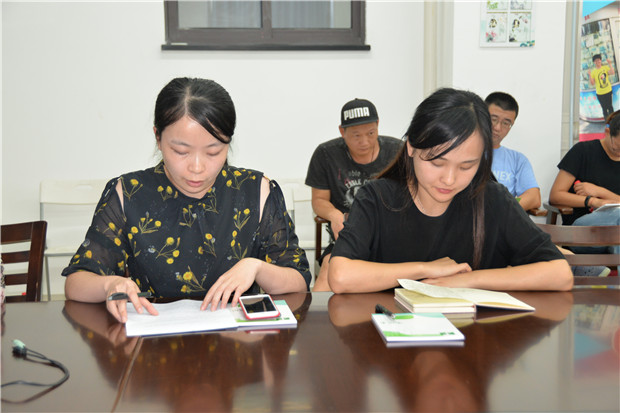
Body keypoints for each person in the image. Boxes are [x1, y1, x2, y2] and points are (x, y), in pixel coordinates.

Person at [63, 77, 311, 323]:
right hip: (155, 336)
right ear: (158, 138)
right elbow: (76, 283)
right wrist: (110, 284)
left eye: (213, 152)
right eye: (181, 151)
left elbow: (299, 281)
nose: (197, 167)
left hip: (238, 340)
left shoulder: (256, 190)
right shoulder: (129, 193)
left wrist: (256, 267)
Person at [328, 88, 573, 293]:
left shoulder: (493, 199)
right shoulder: (377, 197)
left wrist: (467, 280)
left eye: (467, 166)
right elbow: (340, 276)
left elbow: (559, 273)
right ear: (411, 146)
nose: (449, 179)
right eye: (437, 163)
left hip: (473, 333)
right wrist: (425, 269)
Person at [305, 98, 402, 291]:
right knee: (329, 269)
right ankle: (314, 311)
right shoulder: (326, 154)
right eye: (356, 135)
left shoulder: (397, 151)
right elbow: (319, 200)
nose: (364, 142)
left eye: (371, 133)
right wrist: (334, 215)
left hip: (390, 235)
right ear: (342, 131)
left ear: (378, 125)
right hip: (348, 234)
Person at [549, 109, 620, 255]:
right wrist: (592, 201)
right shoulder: (583, 151)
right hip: (581, 231)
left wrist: (600, 192)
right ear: (607, 132)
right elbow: (555, 196)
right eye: (617, 147)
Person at [485, 92, 541, 211]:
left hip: (503, 219)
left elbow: (534, 197)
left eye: (506, 123)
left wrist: (505, 208)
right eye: (493, 119)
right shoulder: (462, 152)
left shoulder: (518, 160)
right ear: (482, 116)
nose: (497, 128)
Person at [589, 54, 616, 120]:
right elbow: (592, 83)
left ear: (600, 60)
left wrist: (610, 64)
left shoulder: (605, 68)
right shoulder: (593, 72)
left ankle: (613, 122)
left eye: (598, 60)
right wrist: (589, 75)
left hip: (608, 91)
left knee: (610, 107)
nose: (597, 61)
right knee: (604, 108)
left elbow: (612, 72)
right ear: (594, 62)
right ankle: (607, 123)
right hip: (600, 93)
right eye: (595, 61)